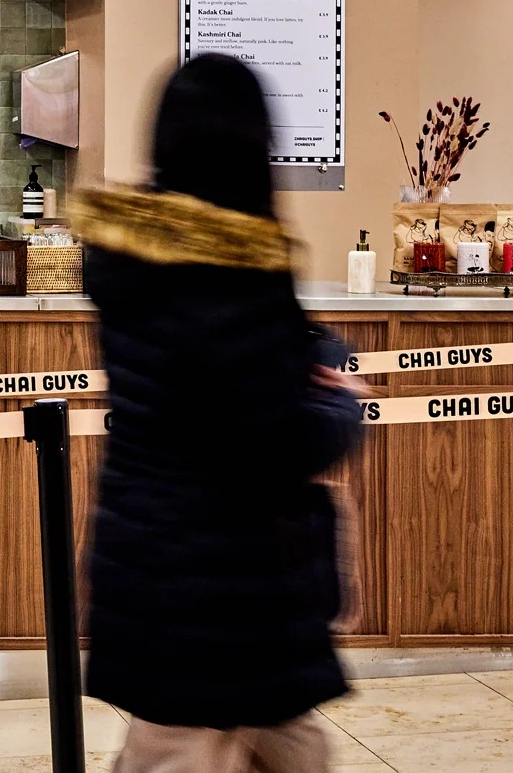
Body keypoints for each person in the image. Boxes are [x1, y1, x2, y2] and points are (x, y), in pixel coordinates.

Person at [71, 54, 365, 773]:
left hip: (150, 549)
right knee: (201, 746)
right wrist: (339, 408)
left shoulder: (131, 258)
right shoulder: (237, 267)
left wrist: (308, 354)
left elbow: (219, 378)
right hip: (227, 574)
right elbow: (271, 439)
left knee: (259, 741)